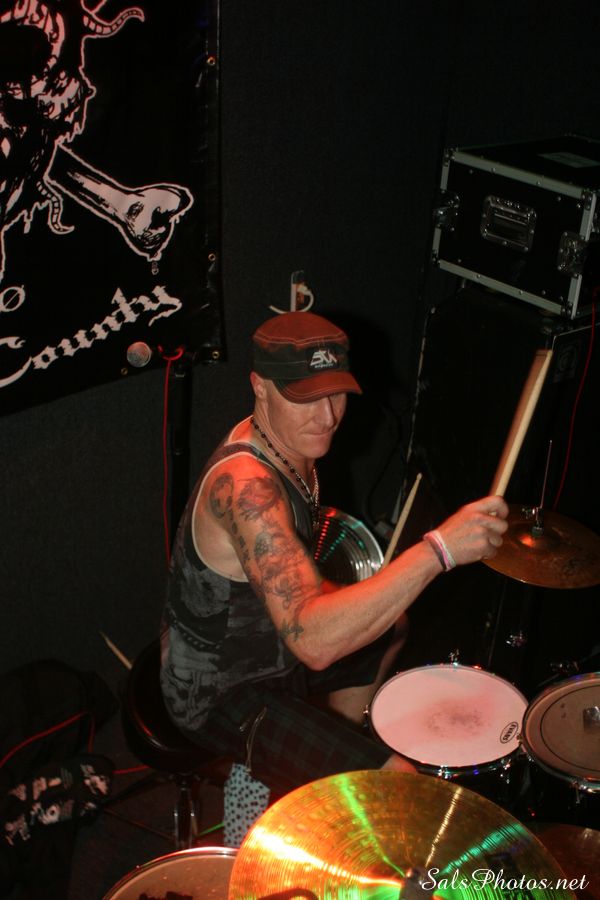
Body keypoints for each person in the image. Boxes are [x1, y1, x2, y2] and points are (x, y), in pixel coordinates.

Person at [160, 310, 508, 798]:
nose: (327, 417)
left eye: (336, 394)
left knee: (391, 626)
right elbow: (314, 644)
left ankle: (323, 765)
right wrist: (440, 550)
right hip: (220, 690)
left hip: (272, 647)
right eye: (305, 398)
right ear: (260, 387)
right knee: (399, 785)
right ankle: (286, 789)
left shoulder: (285, 444)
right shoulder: (246, 487)